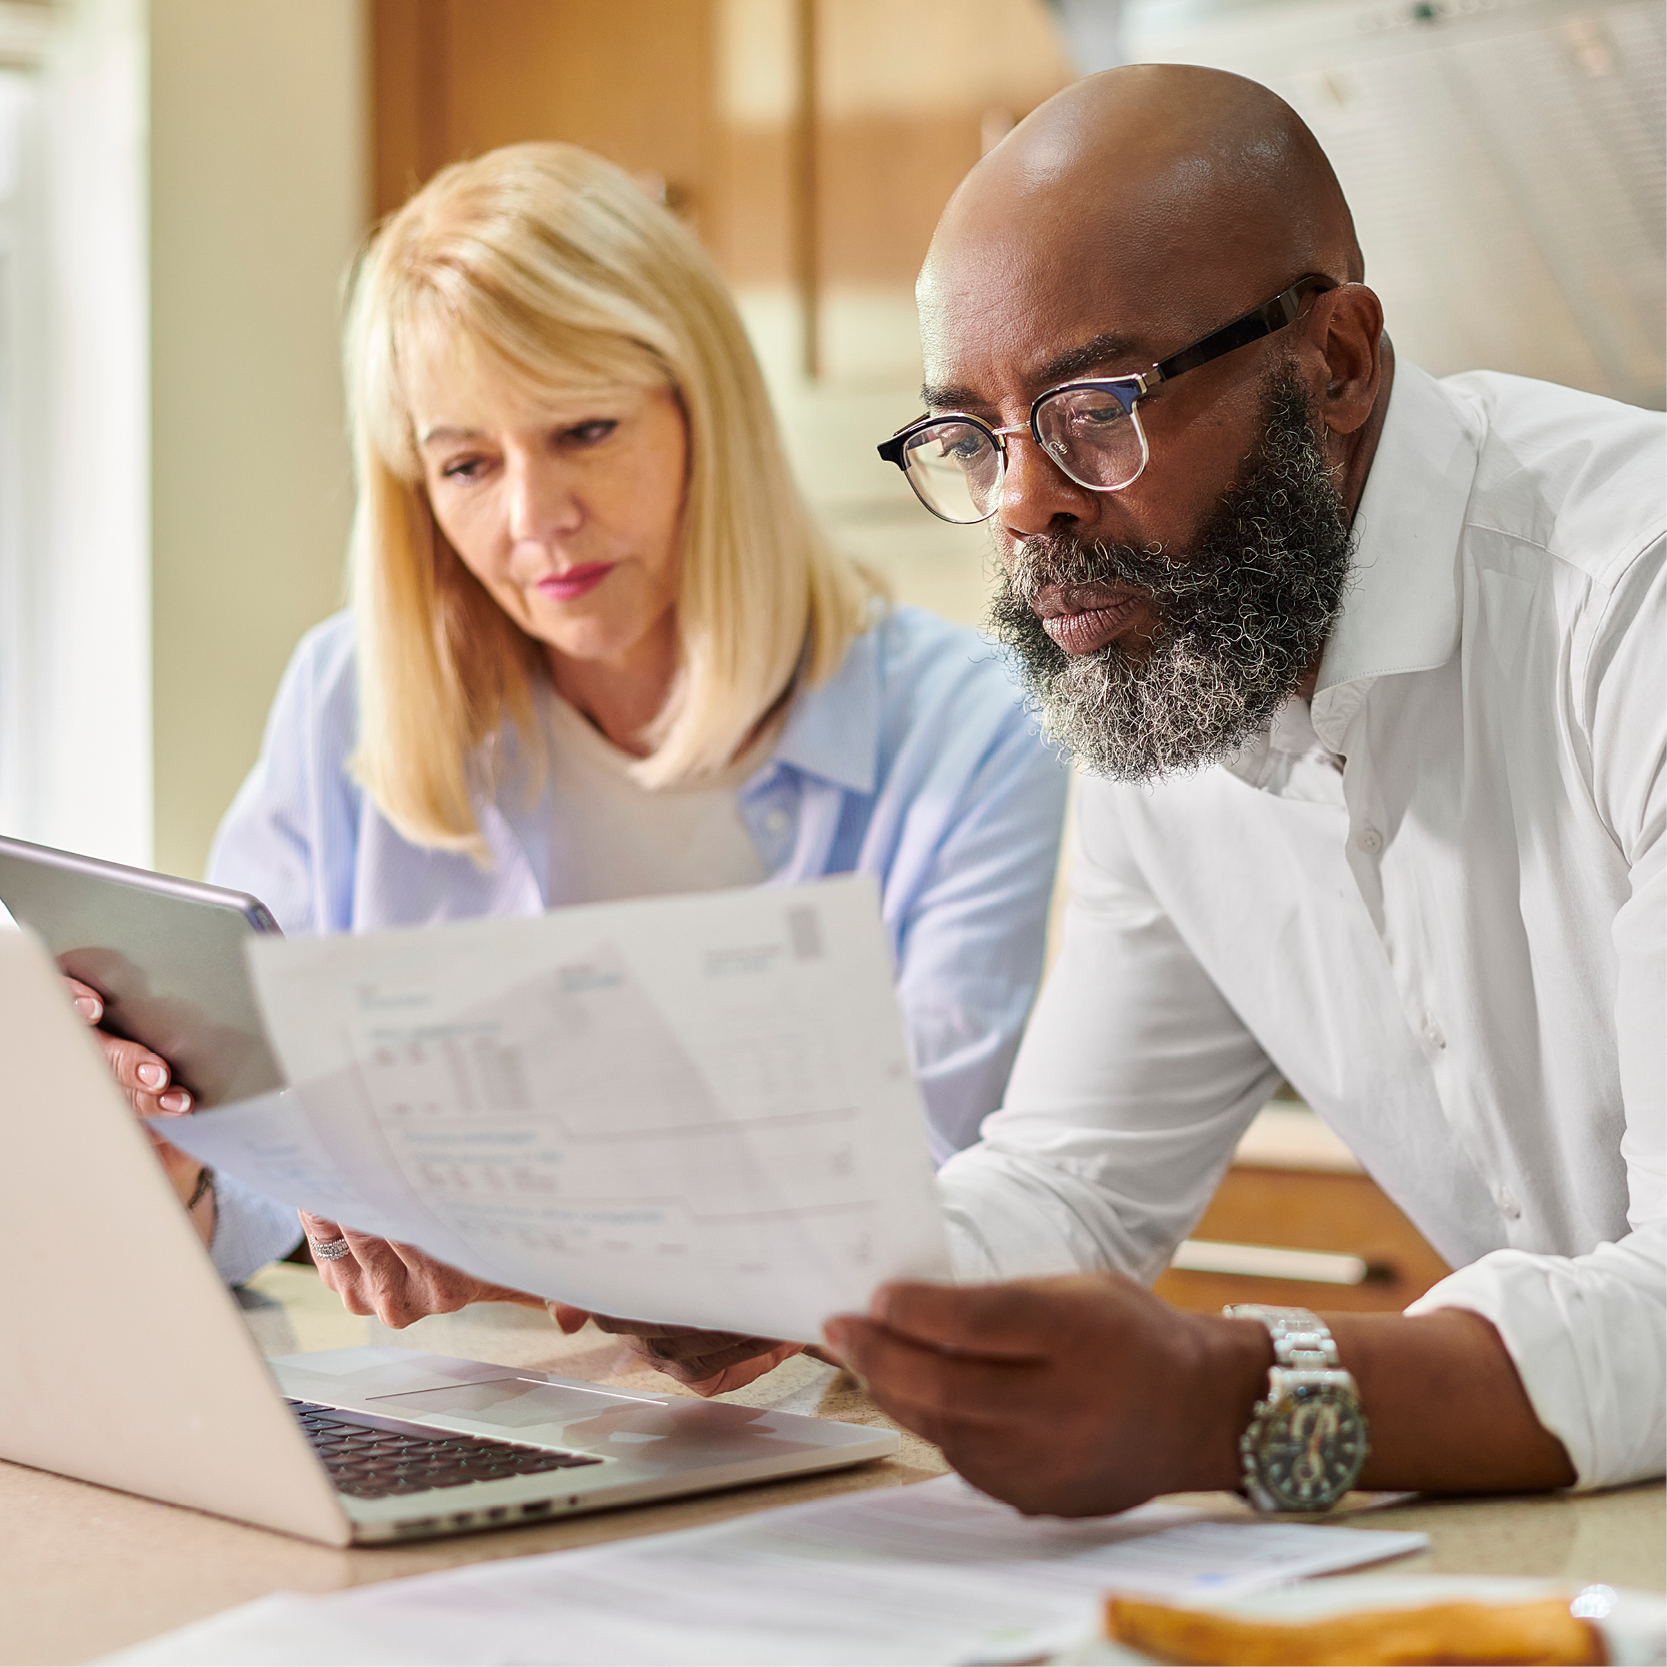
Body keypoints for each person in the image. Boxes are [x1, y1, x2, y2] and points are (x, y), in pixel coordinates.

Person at [608, 62, 1661, 1501]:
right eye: (967, 436)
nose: (1017, 503)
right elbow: (1070, 1188)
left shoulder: (1626, 601)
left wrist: (1227, 1400)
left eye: (1089, 406)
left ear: (1336, 361)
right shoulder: (1170, 662)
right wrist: (778, 1268)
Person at [79, 142, 1068, 1327]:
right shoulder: (348, 694)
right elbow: (265, 1147)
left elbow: (921, 1186)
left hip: (821, 1421)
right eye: (464, 463)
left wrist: (531, 1247)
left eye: (585, 431)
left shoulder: (966, 727)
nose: (533, 519)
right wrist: (171, 1160)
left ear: (703, 412)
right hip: (464, 1405)